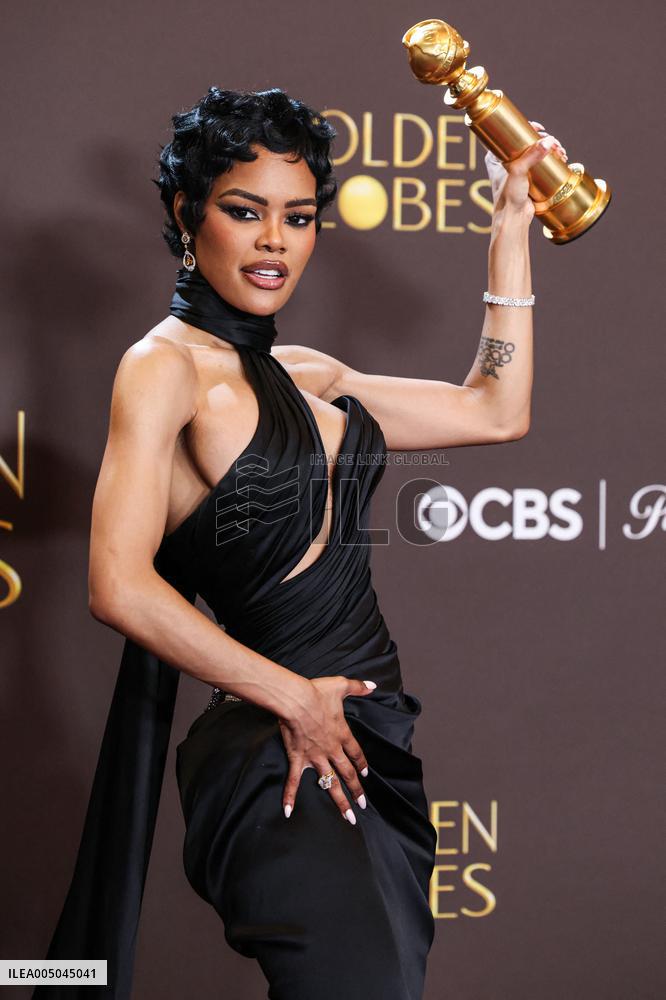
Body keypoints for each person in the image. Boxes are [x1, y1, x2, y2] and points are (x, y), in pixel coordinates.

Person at [34, 87, 566, 1000]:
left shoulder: (308, 374)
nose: (275, 241)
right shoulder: (163, 367)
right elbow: (117, 584)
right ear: (186, 213)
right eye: (245, 212)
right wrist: (292, 698)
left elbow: (495, 409)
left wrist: (510, 222)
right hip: (275, 753)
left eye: (298, 217)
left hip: (370, 750)